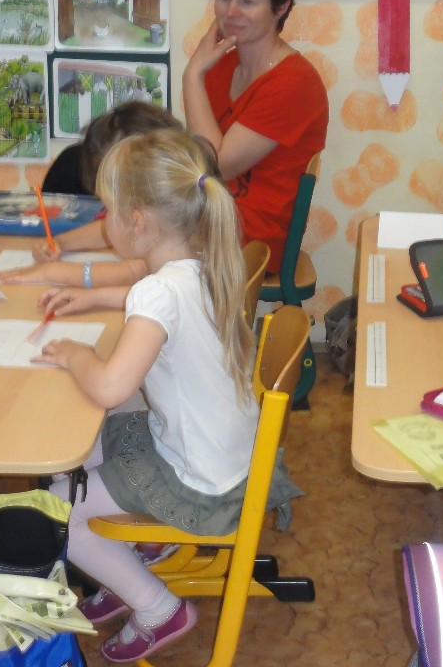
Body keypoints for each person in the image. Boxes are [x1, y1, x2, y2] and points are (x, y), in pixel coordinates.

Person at [36, 128, 301, 663]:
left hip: (199, 484)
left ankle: (159, 608)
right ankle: (124, 566)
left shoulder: (159, 291)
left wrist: (75, 355)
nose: (105, 223)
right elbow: (153, 301)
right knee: (87, 445)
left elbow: (111, 385)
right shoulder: (204, 262)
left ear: (137, 223)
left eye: (108, 211)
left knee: (55, 511)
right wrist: (94, 299)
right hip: (230, 459)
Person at [182, 0, 329, 274]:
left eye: (247, 1)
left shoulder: (295, 82)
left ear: (281, 6)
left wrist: (192, 75)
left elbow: (216, 166)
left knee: (146, 238)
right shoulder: (222, 65)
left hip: (256, 239)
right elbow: (196, 161)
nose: (231, 11)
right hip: (210, 217)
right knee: (129, 214)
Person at [0, 101, 181, 288]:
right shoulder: (165, 212)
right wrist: (60, 242)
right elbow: (106, 230)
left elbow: (129, 273)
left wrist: (50, 272)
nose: (109, 218)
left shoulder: (169, 246)